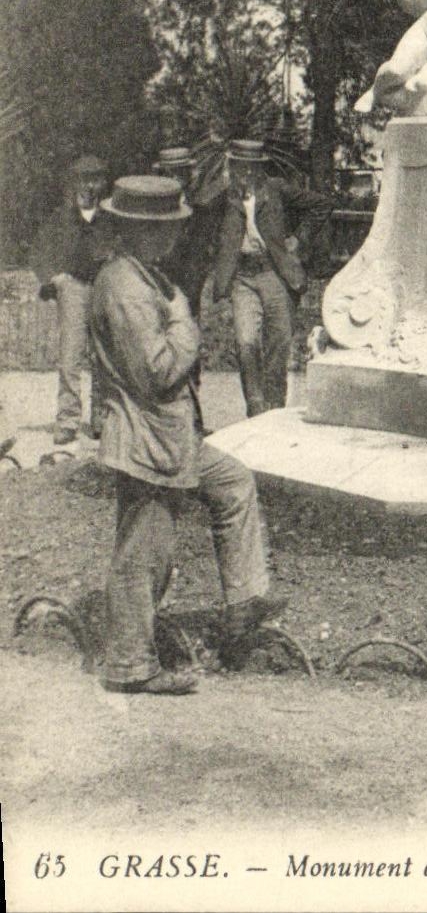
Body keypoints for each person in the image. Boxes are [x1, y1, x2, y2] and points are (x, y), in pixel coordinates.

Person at [90, 174, 284, 695]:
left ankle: (243, 606)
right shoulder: (125, 287)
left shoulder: (144, 275)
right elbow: (154, 372)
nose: (176, 236)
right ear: (137, 230)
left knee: (233, 482)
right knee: (144, 552)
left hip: (171, 438)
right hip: (145, 442)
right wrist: (185, 326)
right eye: (166, 227)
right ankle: (129, 665)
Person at [213, 140, 332, 417]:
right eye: (238, 168)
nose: (244, 175)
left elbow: (321, 205)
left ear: (259, 169)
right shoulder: (225, 197)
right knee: (246, 343)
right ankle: (255, 409)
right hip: (242, 278)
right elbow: (198, 206)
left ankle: (274, 411)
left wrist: (298, 240)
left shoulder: (276, 190)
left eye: (249, 169)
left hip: (275, 274)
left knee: (279, 344)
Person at [34, 154, 114, 444]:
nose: (88, 186)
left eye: (94, 179)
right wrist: (53, 277)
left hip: (104, 287)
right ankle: (67, 420)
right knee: (70, 356)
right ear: (73, 183)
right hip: (74, 289)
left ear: (103, 184)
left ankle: (101, 420)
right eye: (82, 179)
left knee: (104, 356)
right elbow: (40, 251)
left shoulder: (111, 218)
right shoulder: (61, 218)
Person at [152, 145, 226, 321]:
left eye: (179, 173)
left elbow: (204, 244)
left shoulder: (199, 206)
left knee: (188, 324)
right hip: (160, 275)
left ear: (187, 175)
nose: (175, 179)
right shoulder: (152, 207)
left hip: (190, 277)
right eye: (169, 174)